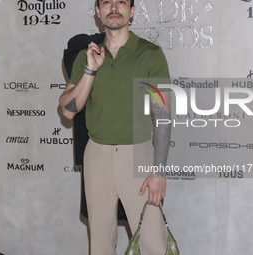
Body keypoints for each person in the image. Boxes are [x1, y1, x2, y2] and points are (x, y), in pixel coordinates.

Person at [59, 0, 171, 254]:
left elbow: (162, 116)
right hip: (96, 156)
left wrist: (159, 171)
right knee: (100, 244)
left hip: (138, 156)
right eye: (107, 2)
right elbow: (68, 110)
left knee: (153, 244)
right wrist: (90, 70)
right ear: (98, 12)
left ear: (132, 11)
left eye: (121, 2)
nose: (114, 7)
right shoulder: (86, 56)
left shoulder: (150, 54)